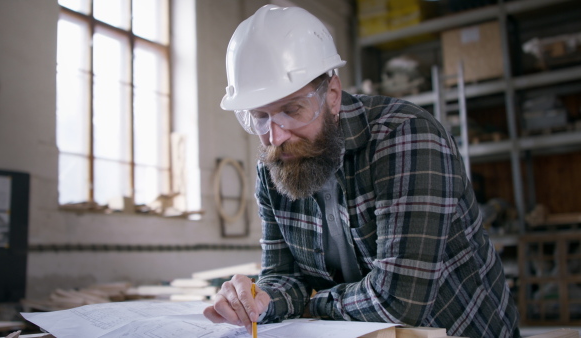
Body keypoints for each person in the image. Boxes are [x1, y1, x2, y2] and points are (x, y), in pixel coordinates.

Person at [203, 4, 520, 338]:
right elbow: (284, 276)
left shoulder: (406, 137)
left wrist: (311, 304)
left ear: (333, 96)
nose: (276, 137)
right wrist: (261, 301)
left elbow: (399, 302)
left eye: (292, 110)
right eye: (260, 117)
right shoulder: (274, 164)